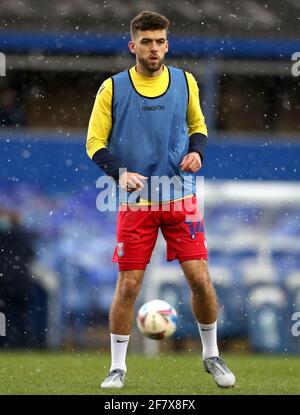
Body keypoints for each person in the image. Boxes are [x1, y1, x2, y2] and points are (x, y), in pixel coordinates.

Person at [86, 10, 235, 389]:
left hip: (179, 198)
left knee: (200, 279)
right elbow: (94, 143)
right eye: (146, 42)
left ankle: (212, 355)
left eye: (160, 41)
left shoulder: (185, 82)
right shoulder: (113, 88)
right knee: (129, 286)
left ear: (167, 44)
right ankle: (117, 367)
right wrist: (119, 172)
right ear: (132, 45)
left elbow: (198, 126)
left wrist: (197, 152)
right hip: (136, 203)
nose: (154, 48)